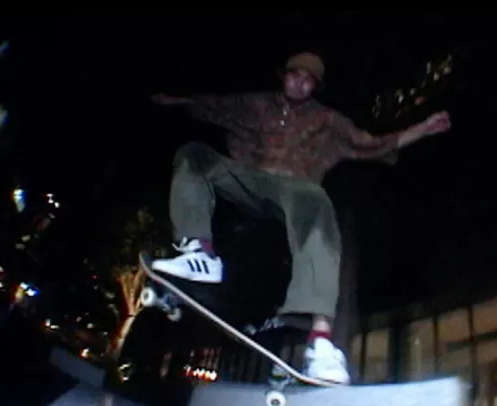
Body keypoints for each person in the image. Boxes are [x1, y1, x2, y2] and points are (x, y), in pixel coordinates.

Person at [150, 51, 451, 385]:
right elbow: (214, 105)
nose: (300, 83)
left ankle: (320, 341)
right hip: (250, 182)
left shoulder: (327, 121)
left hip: (296, 192)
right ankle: (199, 253)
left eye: (308, 80)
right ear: (284, 76)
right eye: (295, 76)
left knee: (317, 200)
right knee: (193, 156)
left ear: (315, 87)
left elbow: (374, 144)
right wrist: (173, 99)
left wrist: (422, 129)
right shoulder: (255, 104)